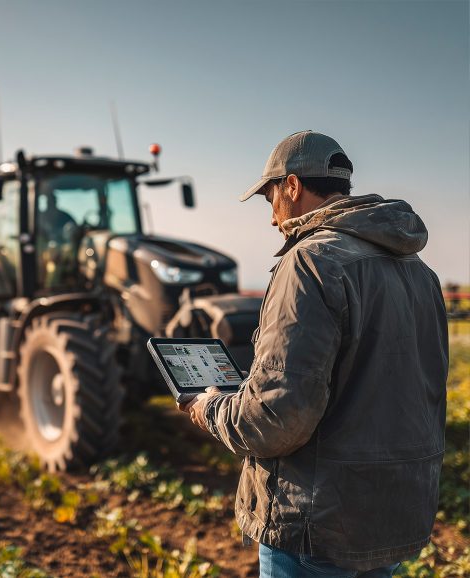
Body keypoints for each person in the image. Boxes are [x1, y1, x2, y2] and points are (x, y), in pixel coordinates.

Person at [179, 131, 448, 577]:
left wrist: (211, 408)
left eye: (270, 200)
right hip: (390, 519)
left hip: (316, 527)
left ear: (292, 186)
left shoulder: (311, 262)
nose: (271, 219)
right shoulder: (419, 271)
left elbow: (277, 418)